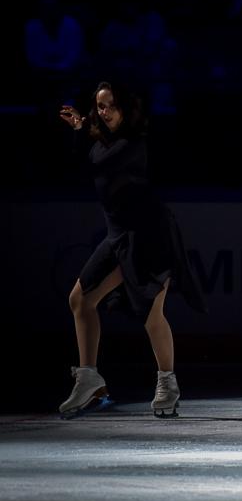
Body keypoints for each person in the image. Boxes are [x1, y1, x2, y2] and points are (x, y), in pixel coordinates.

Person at [58, 82, 206, 418]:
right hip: (117, 235)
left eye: (110, 105)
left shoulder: (131, 145)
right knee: (80, 300)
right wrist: (82, 130)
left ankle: (167, 383)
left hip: (148, 235)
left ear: (125, 108)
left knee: (151, 313)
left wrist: (80, 132)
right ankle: (89, 378)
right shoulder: (102, 142)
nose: (104, 111)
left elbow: (91, 169)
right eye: (100, 106)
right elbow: (87, 164)